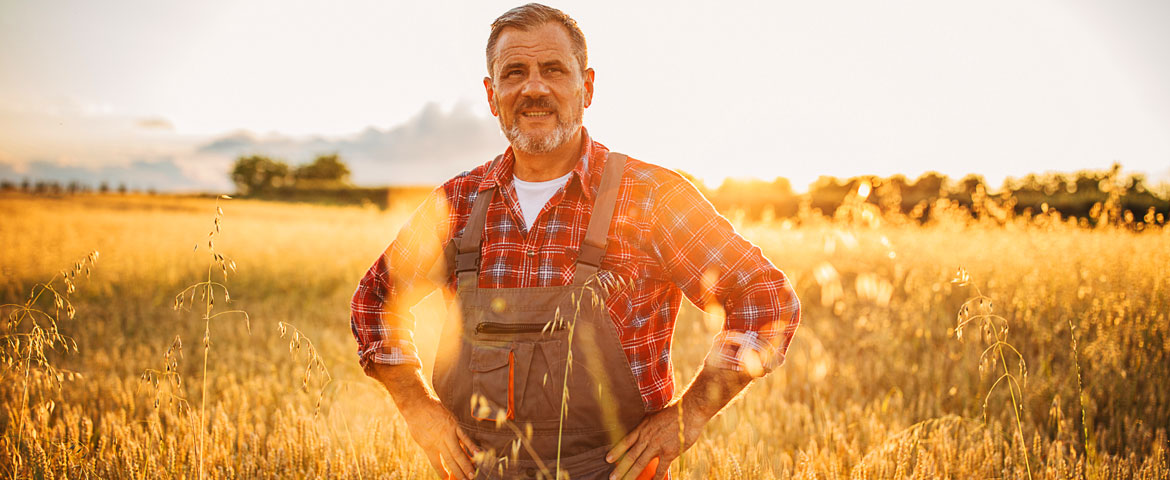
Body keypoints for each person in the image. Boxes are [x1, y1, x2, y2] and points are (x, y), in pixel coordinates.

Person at [349, 4, 802, 479]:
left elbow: (766, 298)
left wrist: (689, 415)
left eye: (554, 70)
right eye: (514, 72)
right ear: (491, 94)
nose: (534, 88)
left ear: (587, 87)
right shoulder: (458, 202)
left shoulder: (652, 196)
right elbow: (374, 300)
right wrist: (417, 407)